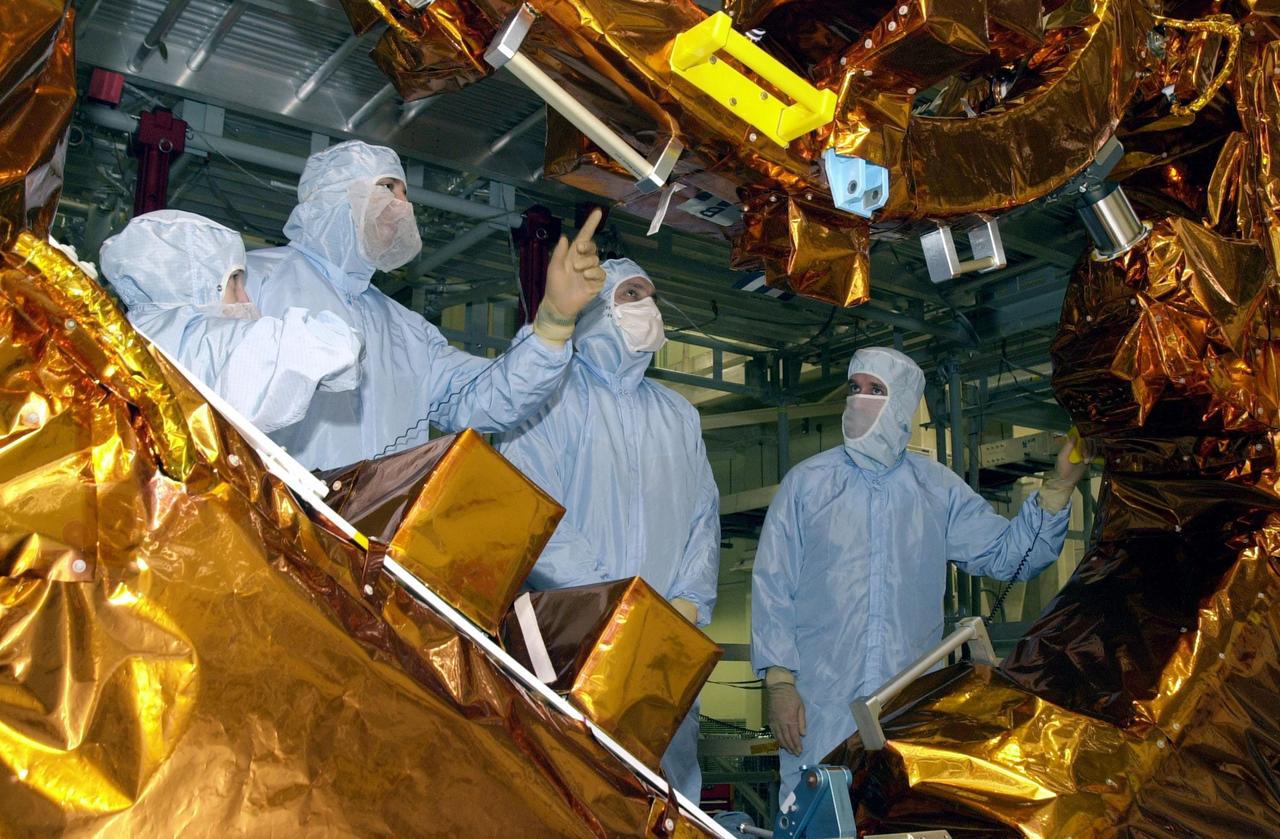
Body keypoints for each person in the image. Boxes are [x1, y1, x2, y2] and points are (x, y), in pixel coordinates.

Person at [750, 347, 1091, 803]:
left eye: (876, 391)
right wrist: (779, 683)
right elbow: (774, 586)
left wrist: (1059, 487)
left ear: (903, 404)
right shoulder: (808, 484)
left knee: (900, 820)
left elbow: (1009, 555)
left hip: (907, 708)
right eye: (855, 388)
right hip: (818, 709)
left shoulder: (937, 489)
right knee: (815, 819)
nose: (859, 400)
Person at [496, 258, 720, 804]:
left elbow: (702, 518)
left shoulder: (678, 415)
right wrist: (612, 608)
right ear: (595, 307)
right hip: (571, 643)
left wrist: (685, 604)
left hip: (661, 649)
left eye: (652, 294)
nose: (649, 307)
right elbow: (534, 511)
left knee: (664, 797)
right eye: (632, 295)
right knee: (565, 792)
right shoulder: (550, 396)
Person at [246, 140, 604, 470]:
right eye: (387, 188)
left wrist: (554, 321)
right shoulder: (254, 281)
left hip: (375, 531)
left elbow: (484, 398)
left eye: (404, 193)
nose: (401, 206)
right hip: (272, 527)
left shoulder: (406, 330)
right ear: (337, 194)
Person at [99, 210, 363, 435]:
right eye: (234, 281)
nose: (245, 297)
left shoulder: (124, 336)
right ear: (195, 282)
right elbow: (335, 348)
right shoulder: (197, 339)